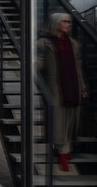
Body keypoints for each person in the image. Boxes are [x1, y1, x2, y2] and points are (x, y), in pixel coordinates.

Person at [37, 13, 88, 171]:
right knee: (58, 121)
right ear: (56, 23)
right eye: (65, 22)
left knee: (71, 120)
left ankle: (64, 150)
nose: (68, 25)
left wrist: (83, 87)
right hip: (55, 88)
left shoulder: (73, 43)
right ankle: (63, 154)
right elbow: (38, 64)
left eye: (69, 22)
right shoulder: (44, 44)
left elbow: (78, 68)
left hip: (73, 87)